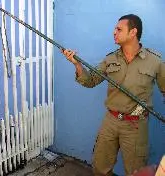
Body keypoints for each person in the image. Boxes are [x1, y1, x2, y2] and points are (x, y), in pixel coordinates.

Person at [62, 14, 165, 175]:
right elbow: (91, 81)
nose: (114, 32)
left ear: (133, 32)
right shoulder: (110, 59)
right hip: (110, 121)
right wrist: (77, 64)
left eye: (118, 29)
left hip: (136, 125)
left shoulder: (155, 61)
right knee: (100, 167)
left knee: (136, 172)